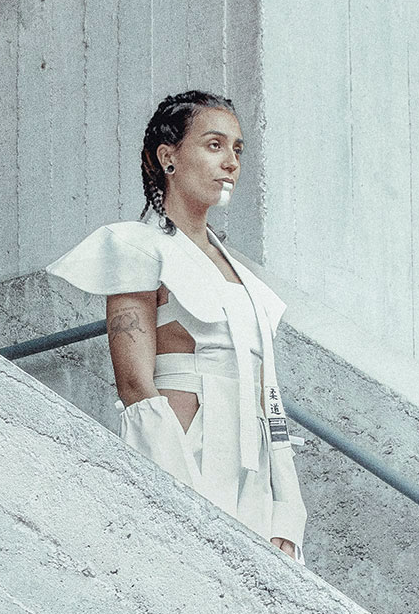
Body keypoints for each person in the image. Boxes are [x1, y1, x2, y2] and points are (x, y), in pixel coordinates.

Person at [47, 90, 307, 560]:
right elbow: (134, 384)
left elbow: (270, 396)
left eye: (238, 149)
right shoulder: (136, 247)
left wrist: (287, 510)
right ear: (168, 157)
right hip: (187, 463)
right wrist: (178, 495)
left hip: (258, 479)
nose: (231, 162)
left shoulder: (243, 275)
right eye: (214, 145)